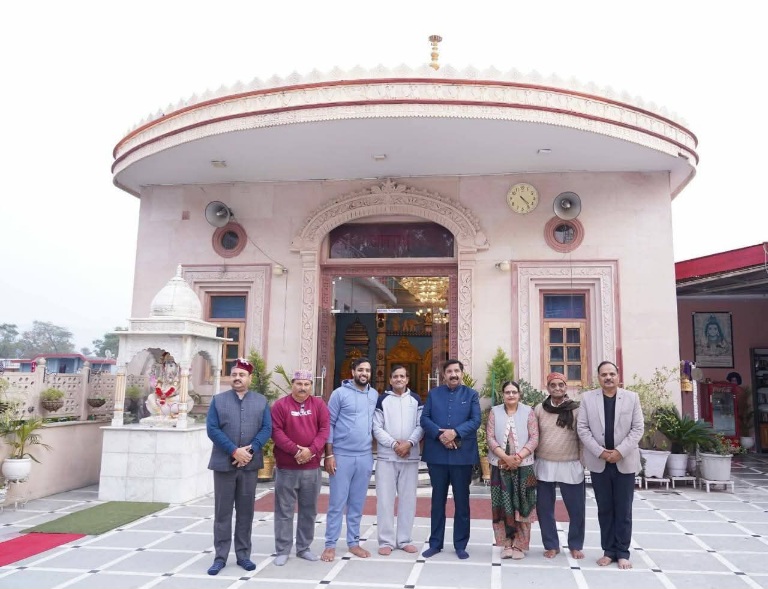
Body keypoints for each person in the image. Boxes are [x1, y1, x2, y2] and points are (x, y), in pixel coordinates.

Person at [205, 358, 272, 576]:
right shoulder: (218, 401)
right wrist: (234, 451)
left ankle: (243, 555)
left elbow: (266, 429)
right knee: (222, 513)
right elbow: (212, 429)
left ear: (249, 378)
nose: (237, 378)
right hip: (224, 464)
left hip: (249, 466)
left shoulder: (261, 401)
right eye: (234, 374)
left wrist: (249, 451)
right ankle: (220, 557)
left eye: (242, 375)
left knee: (246, 512)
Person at [577, 360, 643, 570]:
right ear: (598, 378)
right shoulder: (588, 399)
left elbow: (637, 428)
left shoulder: (632, 398)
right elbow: (582, 428)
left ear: (618, 375)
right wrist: (601, 452)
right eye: (604, 374)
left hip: (625, 461)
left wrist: (619, 451)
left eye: (611, 374)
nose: (608, 377)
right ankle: (608, 551)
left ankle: (622, 552)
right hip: (600, 462)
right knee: (604, 509)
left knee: (623, 509)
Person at [420, 358, 481, 560]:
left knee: (462, 502)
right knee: (437, 501)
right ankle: (435, 543)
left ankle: (460, 544)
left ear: (462, 373)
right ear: (444, 375)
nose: (453, 375)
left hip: (462, 456)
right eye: (449, 371)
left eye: (457, 371)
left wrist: (454, 433)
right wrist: (441, 436)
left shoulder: (471, 395)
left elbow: (476, 420)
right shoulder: (434, 394)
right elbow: (424, 419)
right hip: (437, 455)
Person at [270, 369, 330, 566]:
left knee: (308, 511)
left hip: (311, 469)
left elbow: (324, 430)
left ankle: (304, 548)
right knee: (284, 511)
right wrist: (296, 451)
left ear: (311, 386)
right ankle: (283, 549)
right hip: (286, 468)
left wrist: (311, 451)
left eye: (306, 384)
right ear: (292, 384)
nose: (302, 387)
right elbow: (276, 432)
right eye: (299, 383)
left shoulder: (319, 405)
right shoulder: (280, 405)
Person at [321, 357, 378, 562]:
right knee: (337, 503)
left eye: (367, 370)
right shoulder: (339, 394)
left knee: (357, 503)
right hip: (342, 455)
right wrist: (329, 454)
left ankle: (353, 543)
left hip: (364, 456)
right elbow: (329, 424)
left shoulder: (374, 394)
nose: (364, 373)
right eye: (360, 370)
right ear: (353, 372)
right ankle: (330, 545)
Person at [372, 364, 424, 556]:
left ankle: (404, 539)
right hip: (387, 457)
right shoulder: (382, 400)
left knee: (408, 500)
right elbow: (376, 427)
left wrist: (409, 443)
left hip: (410, 456)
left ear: (407, 379)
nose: (399, 379)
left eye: (402, 376)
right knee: (385, 500)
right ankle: (385, 541)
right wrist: (394, 444)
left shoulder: (415, 400)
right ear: (390, 380)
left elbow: (421, 425)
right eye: (395, 376)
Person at [534, 372, 585, 560]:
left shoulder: (576, 409)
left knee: (576, 508)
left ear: (566, 386)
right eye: (553, 385)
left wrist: (583, 460)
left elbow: (582, 436)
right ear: (548, 388)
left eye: (561, 384)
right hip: (544, 462)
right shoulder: (539, 409)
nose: (557, 388)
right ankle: (551, 545)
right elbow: (534, 435)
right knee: (544, 508)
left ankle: (575, 545)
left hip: (571, 463)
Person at [486, 380, 539, 560]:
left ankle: (520, 545)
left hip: (524, 467)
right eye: (507, 392)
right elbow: (490, 438)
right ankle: (506, 544)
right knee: (502, 505)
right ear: (503, 395)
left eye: (514, 392)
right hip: (500, 466)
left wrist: (518, 457)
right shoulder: (494, 412)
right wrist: (506, 458)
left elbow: (534, 438)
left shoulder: (528, 411)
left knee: (524, 505)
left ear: (519, 394)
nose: (511, 395)